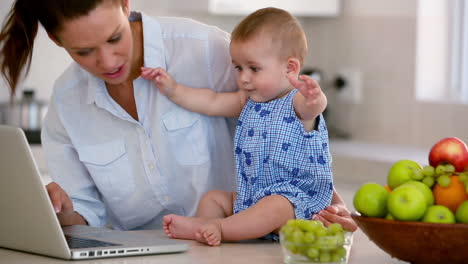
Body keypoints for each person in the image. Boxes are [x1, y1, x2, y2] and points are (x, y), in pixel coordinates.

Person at [0, 0, 357, 234]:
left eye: (114, 38)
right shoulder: (66, 103)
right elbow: (84, 218)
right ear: (56, 40)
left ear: (125, 4)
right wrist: (54, 210)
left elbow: (285, 131)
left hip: (238, 247)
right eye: (84, 51)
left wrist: (326, 200)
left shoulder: (206, 50)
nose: (108, 62)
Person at [140, 7, 337, 246]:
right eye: (238, 67)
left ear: (290, 68)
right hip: (250, 199)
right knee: (213, 199)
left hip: (297, 205)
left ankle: (218, 228)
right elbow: (211, 102)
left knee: (274, 205)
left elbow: (312, 109)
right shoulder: (247, 102)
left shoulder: (296, 101)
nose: (243, 78)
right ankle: (207, 231)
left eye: (254, 69)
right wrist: (173, 89)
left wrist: (316, 99)